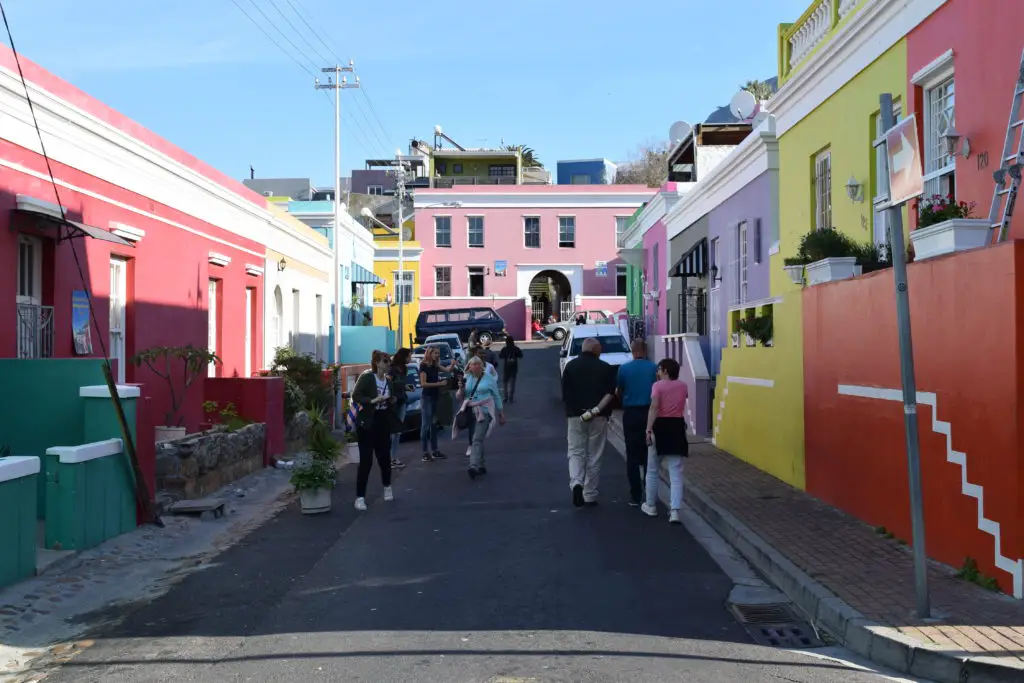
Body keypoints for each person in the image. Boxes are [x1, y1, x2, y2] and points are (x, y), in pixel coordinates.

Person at [560, 337, 616, 507]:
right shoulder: (605, 368)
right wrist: (596, 410)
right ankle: (590, 494)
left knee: (576, 452)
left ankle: (576, 483)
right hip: (598, 417)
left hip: (575, 416)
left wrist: (575, 410)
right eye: (600, 348)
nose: (601, 350)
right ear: (594, 349)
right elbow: (611, 392)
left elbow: (566, 394)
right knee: (594, 455)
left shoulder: (570, 366)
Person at [642, 358, 689, 524]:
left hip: (660, 426)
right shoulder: (683, 386)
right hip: (676, 427)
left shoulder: (657, 386)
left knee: (653, 469)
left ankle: (650, 505)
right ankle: (675, 510)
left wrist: (648, 429)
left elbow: (654, 407)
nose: (657, 372)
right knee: (676, 472)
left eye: (659, 370)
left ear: (666, 371)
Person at [351, 350, 398, 511]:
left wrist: (391, 400)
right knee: (366, 460)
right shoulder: (367, 377)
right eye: (385, 361)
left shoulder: (389, 382)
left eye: (389, 361)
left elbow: (395, 399)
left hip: (383, 419)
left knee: (384, 457)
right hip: (367, 421)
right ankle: (360, 497)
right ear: (377, 363)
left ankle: (387, 487)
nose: (388, 364)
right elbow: (356, 395)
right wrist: (372, 400)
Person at [616, 339, 658, 506]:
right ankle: (649, 494)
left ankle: (635, 495)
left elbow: (619, 390)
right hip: (649, 414)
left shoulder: (624, 368)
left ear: (633, 351)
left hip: (631, 414)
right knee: (650, 454)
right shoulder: (654, 368)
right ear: (645, 351)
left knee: (632, 455)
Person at [456, 356, 506, 479]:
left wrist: (501, 413)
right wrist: (461, 387)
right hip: (471, 411)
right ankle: (482, 464)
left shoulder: (489, 379)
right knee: (477, 439)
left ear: (481, 366)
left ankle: (473, 466)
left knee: (476, 439)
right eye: (473, 365)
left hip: (484, 411)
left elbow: (497, 396)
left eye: (478, 365)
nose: (475, 367)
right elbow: (460, 397)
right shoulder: (467, 378)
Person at [418, 346, 454, 462]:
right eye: (435, 353)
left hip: (435, 397)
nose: (437, 355)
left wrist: (452, 365)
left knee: (434, 425)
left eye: (438, 353)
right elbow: (423, 384)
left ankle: (434, 450)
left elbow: (447, 370)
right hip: (427, 398)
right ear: (429, 353)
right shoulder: (423, 366)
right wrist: (439, 384)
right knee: (426, 426)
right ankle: (425, 452)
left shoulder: (435, 365)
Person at [387, 348, 417, 470]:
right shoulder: (393, 369)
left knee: (397, 431)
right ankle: (391, 458)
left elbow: (401, 384)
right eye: (409, 356)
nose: (410, 358)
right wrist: (391, 395)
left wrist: (407, 387)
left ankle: (394, 458)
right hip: (394, 403)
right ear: (404, 356)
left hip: (402, 401)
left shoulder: (404, 369)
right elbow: (388, 383)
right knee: (394, 432)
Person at [498, 336, 524, 403]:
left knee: (505, 383)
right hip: (514, 368)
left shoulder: (505, 349)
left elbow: (500, 356)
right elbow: (521, 356)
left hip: (506, 368)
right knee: (512, 384)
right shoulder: (516, 348)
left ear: (506, 342)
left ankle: (505, 397)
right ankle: (511, 398)